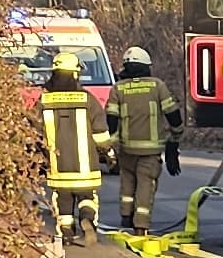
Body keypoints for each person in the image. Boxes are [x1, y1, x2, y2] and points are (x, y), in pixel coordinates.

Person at [104, 46, 182, 237]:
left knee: (127, 182)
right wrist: (176, 136)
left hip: (127, 149)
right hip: (150, 151)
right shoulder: (157, 86)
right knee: (146, 186)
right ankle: (141, 226)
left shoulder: (118, 88)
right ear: (147, 66)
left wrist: (111, 145)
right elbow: (172, 113)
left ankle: (126, 216)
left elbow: (111, 119)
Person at [38, 50, 103, 239]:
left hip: (58, 166)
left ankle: (66, 231)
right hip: (86, 167)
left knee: (63, 200)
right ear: (75, 74)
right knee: (87, 197)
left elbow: (34, 132)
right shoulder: (87, 99)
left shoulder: (43, 101)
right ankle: (87, 218)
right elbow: (100, 132)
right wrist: (108, 152)